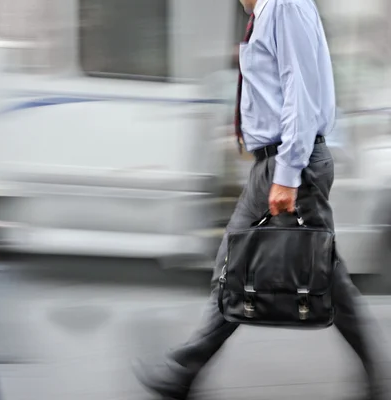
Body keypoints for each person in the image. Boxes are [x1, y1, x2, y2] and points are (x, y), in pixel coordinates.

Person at [132, 0, 388, 399]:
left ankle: (183, 372)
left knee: (250, 266)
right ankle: (184, 371)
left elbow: (300, 95)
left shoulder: (284, 5)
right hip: (276, 163)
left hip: (290, 162)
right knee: (273, 267)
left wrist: (286, 176)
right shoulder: (268, 12)